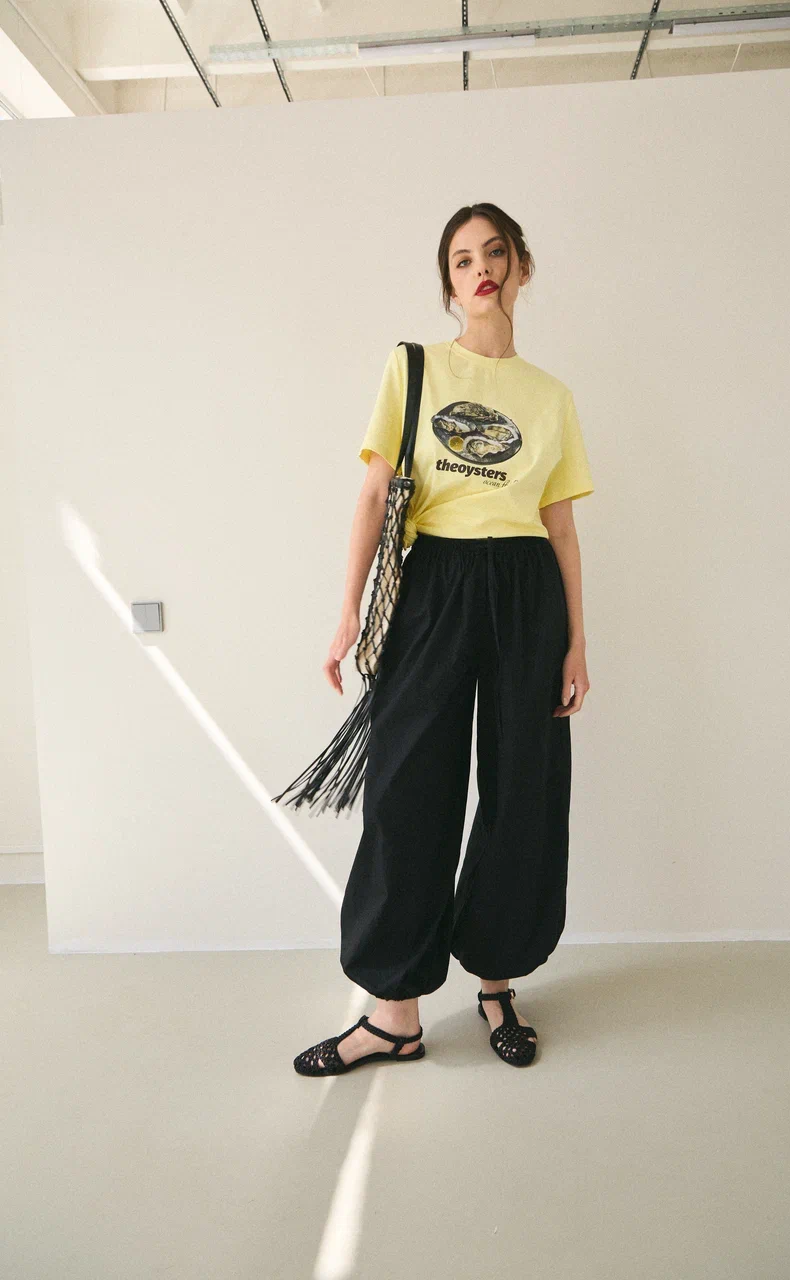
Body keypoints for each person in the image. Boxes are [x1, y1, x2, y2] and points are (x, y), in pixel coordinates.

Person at [293, 202, 594, 1076]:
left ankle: (497, 983)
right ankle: (394, 1015)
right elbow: (373, 491)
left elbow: (560, 526)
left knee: (522, 789)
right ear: (449, 283)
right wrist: (347, 611)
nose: (480, 269)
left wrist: (577, 642)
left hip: (527, 591)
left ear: (521, 268)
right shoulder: (413, 367)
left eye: (494, 254)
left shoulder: (551, 396)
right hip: (434, 585)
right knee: (406, 789)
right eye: (461, 260)